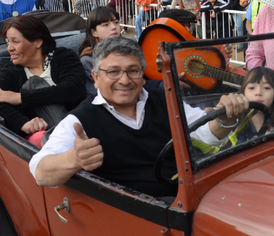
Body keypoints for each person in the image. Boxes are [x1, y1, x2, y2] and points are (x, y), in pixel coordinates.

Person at [28, 36, 251, 195]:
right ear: (95, 78)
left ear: (142, 76)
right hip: (133, 217)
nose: (125, 80)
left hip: (188, 196)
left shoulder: (165, 100)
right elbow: (40, 172)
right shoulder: (80, 120)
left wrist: (225, 119)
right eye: (113, 72)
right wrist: (75, 159)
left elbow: (204, 133)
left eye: (133, 71)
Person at [0, 16, 87, 145]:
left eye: (15, 42)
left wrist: (20, 98)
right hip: (42, 141)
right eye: (8, 42)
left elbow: (73, 89)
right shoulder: (11, 70)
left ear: (38, 42)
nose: (9, 48)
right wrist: (23, 123)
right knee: (41, 137)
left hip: (80, 129)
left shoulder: (63, 57)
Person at [222, 67, 274, 147]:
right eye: (251, 88)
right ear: (243, 92)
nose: (258, 93)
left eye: (266, 88)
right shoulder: (232, 125)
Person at [78, 7, 121, 96]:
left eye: (116, 22)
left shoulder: (130, 50)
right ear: (94, 32)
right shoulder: (88, 60)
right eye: (106, 25)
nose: (113, 27)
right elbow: (93, 93)